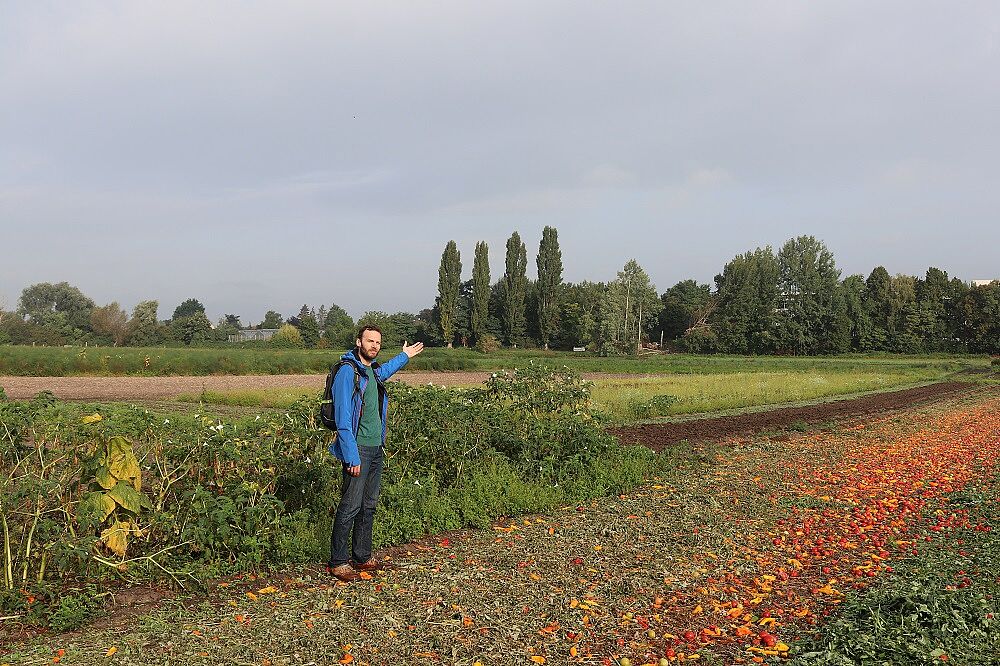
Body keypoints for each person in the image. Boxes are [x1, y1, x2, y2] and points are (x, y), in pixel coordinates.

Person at [327, 325, 424, 582]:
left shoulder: (369, 371)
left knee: (368, 506)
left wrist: (404, 356)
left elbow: (386, 371)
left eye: (378, 343)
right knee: (350, 506)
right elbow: (343, 419)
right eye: (370, 341)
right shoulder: (348, 373)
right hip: (357, 449)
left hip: (375, 447)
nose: (374, 346)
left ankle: (362, 556)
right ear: (358, 342)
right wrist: (351, 455)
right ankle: (338, 561)